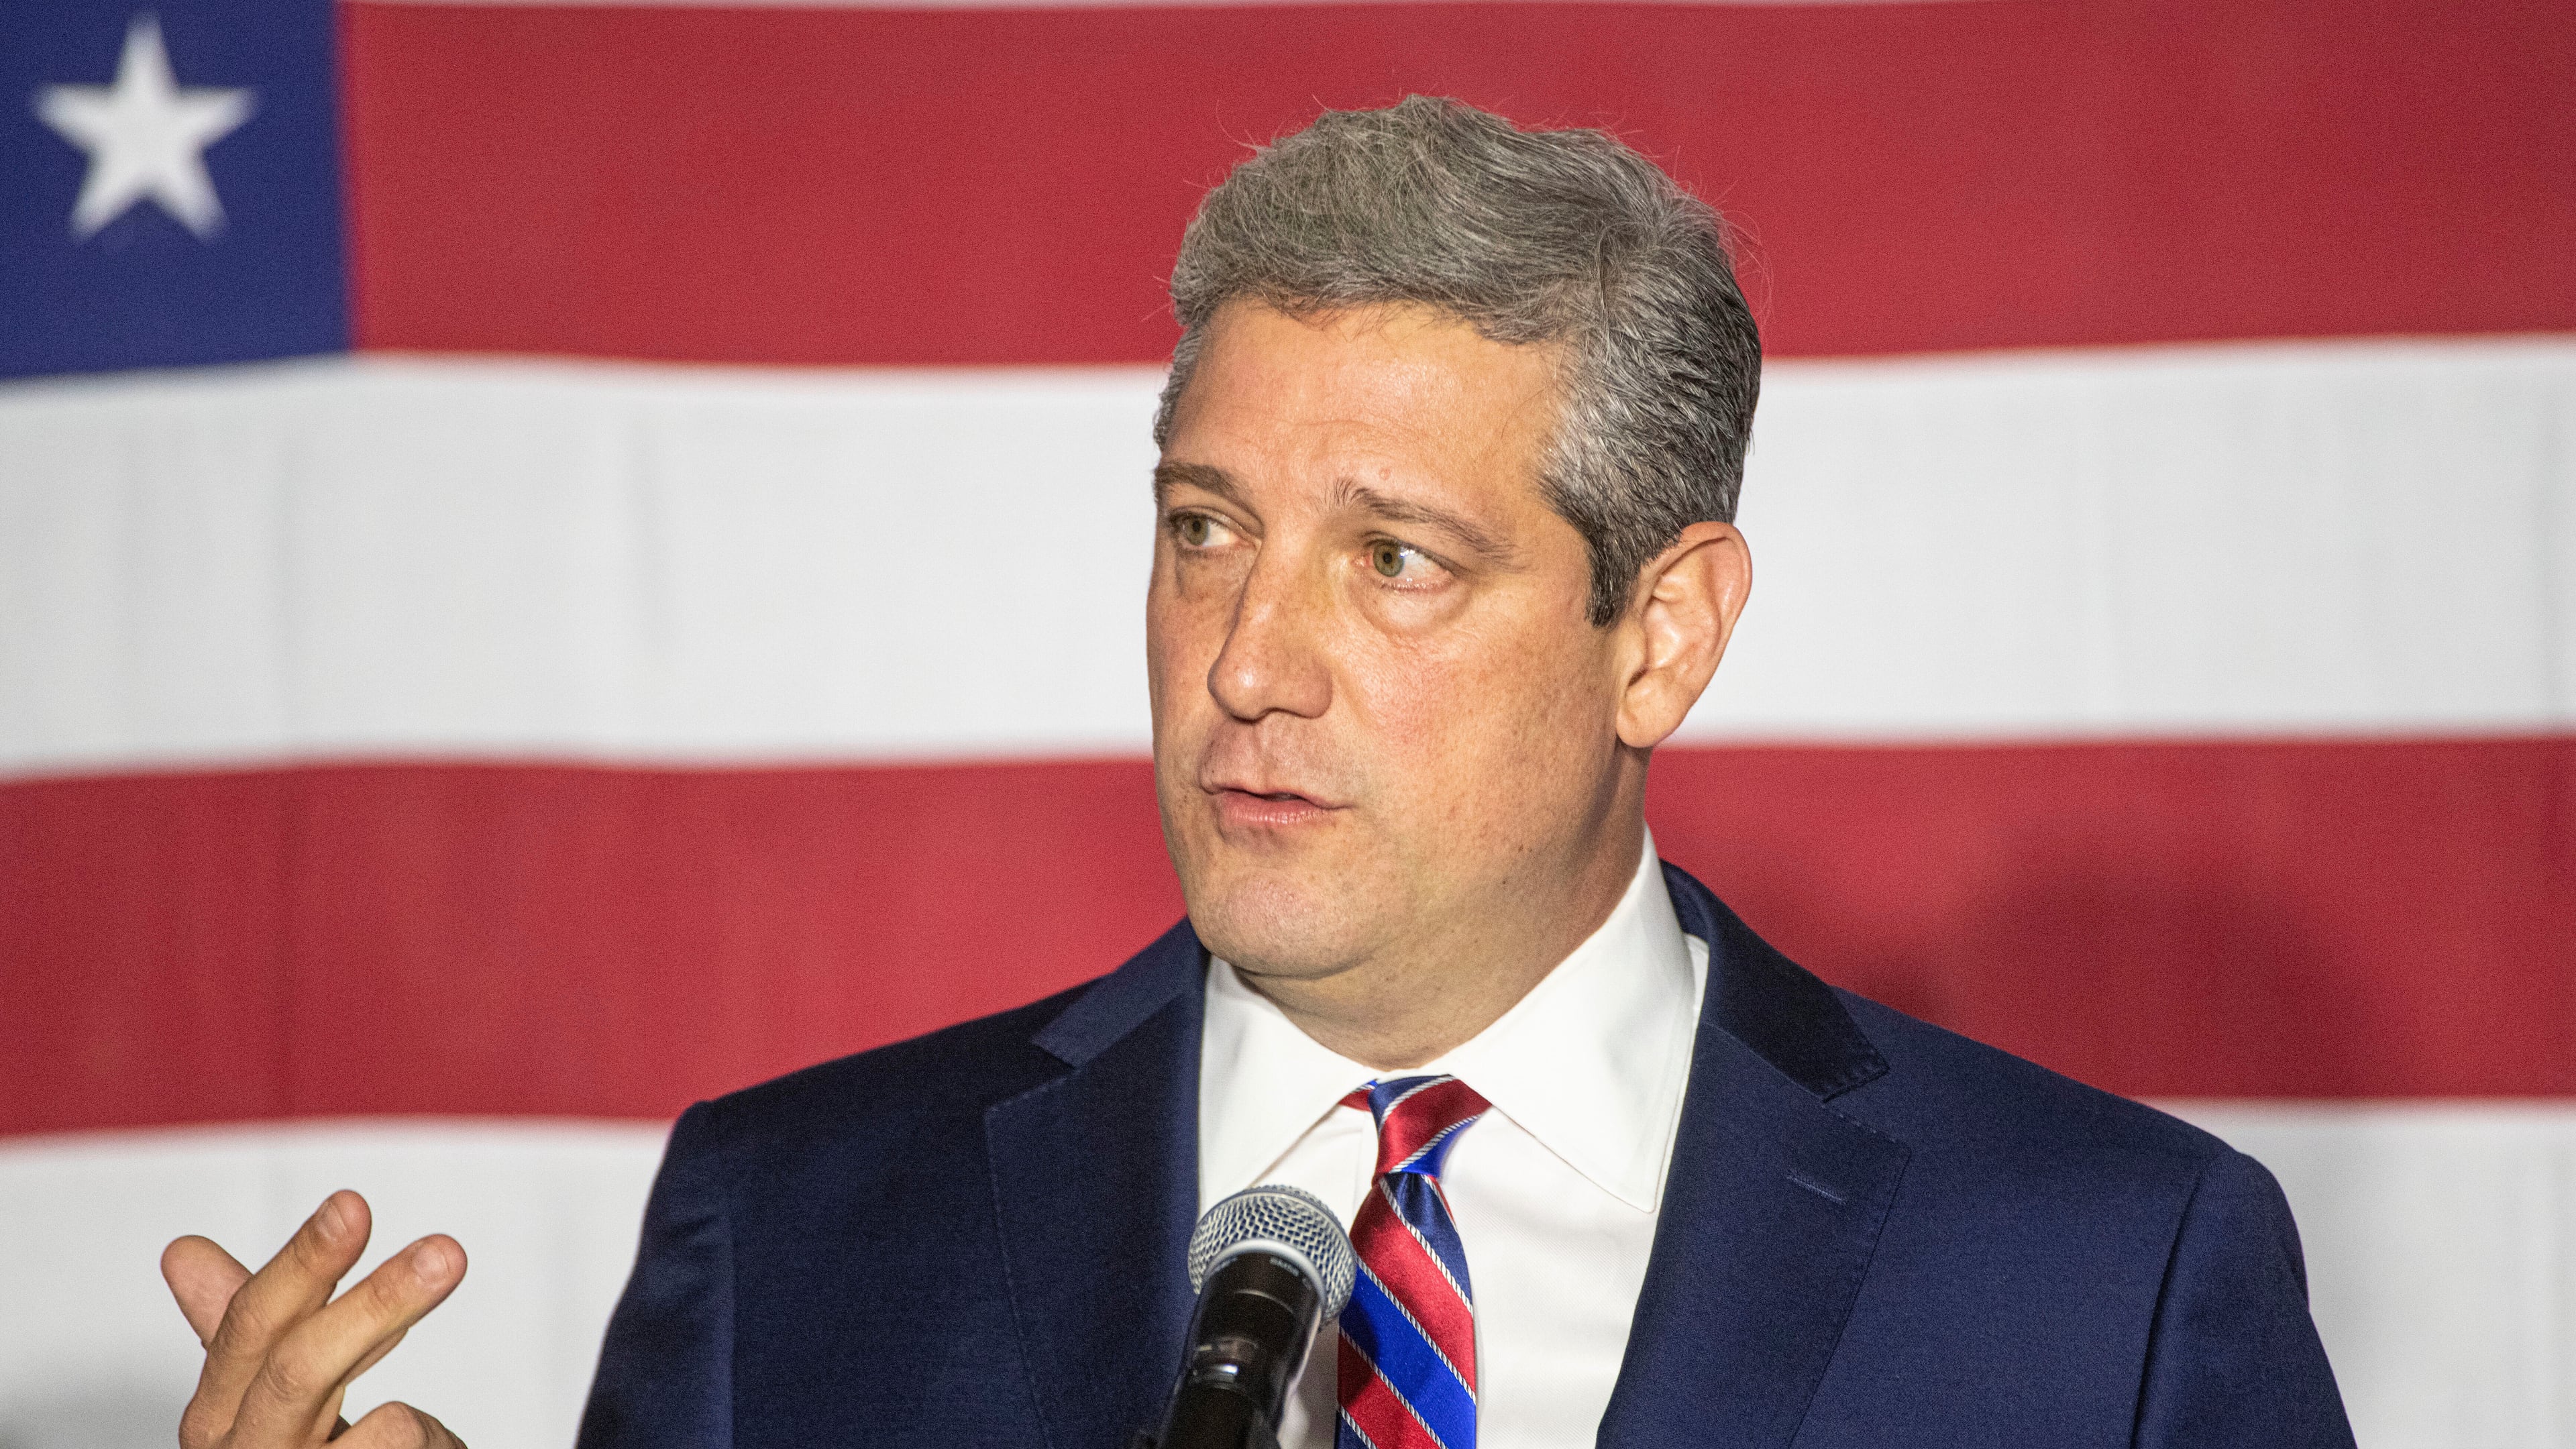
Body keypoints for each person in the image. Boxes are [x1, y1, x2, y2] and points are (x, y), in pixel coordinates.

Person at [158, 97, 2355, 1449]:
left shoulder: (2109, 1281)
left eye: (1395, 560)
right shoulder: (803, 1229)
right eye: (1203, 531)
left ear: (1659, 633)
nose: (1247, 659)